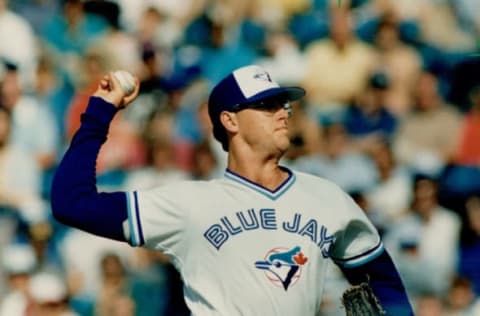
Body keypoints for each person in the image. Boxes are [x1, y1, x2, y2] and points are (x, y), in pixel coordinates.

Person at [51, 64, 413, 315]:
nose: (283, 112)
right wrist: (100, 111)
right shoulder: (190, 204)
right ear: (229, 120)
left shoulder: (329, 199)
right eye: (267, 105)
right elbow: (71, 202)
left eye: (283, 103)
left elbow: (383, 283)